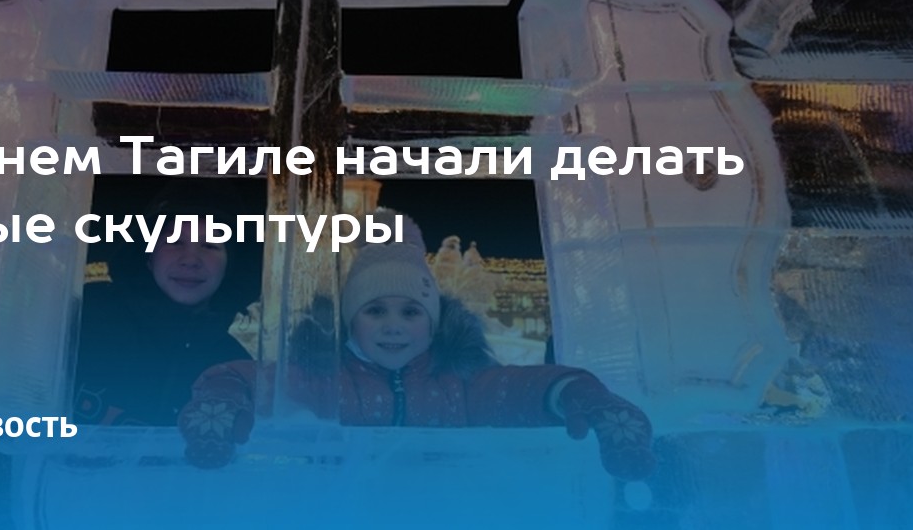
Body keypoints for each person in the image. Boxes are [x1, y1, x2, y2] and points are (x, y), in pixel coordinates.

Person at [178, 210, 656, 480]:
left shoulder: (464, 384)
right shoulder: (323, 380)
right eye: (375, 311)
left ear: (433, 323)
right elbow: (247, 378)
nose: (394, 326)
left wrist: (580, 395)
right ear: (350, 322)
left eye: (410, 312)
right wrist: (222, 398)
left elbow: (524, 389)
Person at [74, 180, 255, 426]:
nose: (190, 259)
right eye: (175, 242)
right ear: (148, 255)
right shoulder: (87, 316)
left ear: (229, 267)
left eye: (210, 245)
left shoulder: (231, 363)